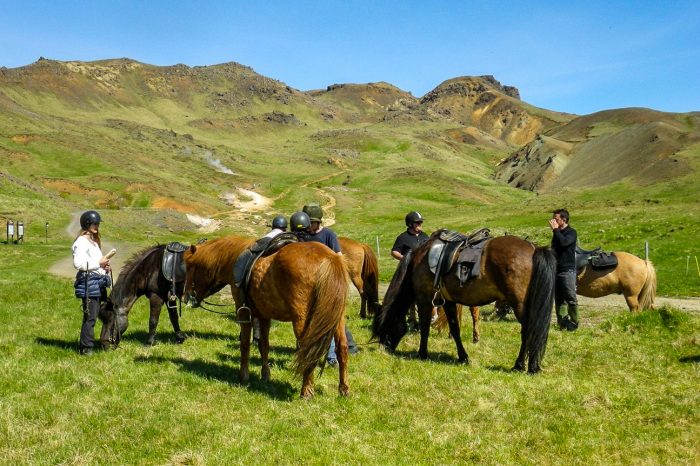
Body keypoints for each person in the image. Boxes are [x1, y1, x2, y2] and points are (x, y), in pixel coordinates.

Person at [291, 205, 359, 366]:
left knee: (329, 320)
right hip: (308, 283)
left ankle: (332, 357)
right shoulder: (303, 235)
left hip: (327, 282)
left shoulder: (328, 235)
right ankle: (305, 350)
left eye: (311, 223)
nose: (309, 226)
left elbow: (339, 257)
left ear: (318, 222)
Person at [72, 210, 112, 355]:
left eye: (98, 224)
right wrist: (98, 263)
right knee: (90, 317)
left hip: (98, 282)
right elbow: (78, 264)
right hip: (89, 283)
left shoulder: (94, 243)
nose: (97, 226)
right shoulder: (81, 242)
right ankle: (86, 348)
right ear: (87, 224)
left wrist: (105, 267)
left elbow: (96, 264)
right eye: (95, 223)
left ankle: (104, 341)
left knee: (103, 313)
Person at [392, 211, 430, 327]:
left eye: (420, 222)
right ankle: (412, 318)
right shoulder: (403, 237)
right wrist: (405, 259)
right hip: (409, 270)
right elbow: (394, 252)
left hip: (424, 271)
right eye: (417, 223)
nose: (420, 224)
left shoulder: (425, 236)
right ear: (410, 224)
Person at [549, 208, 579, 331]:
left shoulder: (571, 232)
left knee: (570, 297)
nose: (553, 222)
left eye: (556, 219)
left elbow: (564, 243)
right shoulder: (557, 233)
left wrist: (556, 230)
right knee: (559, 299)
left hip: (567, 270)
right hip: (556, 270)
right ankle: (562, 323)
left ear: (564, 219)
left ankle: (574, 322)